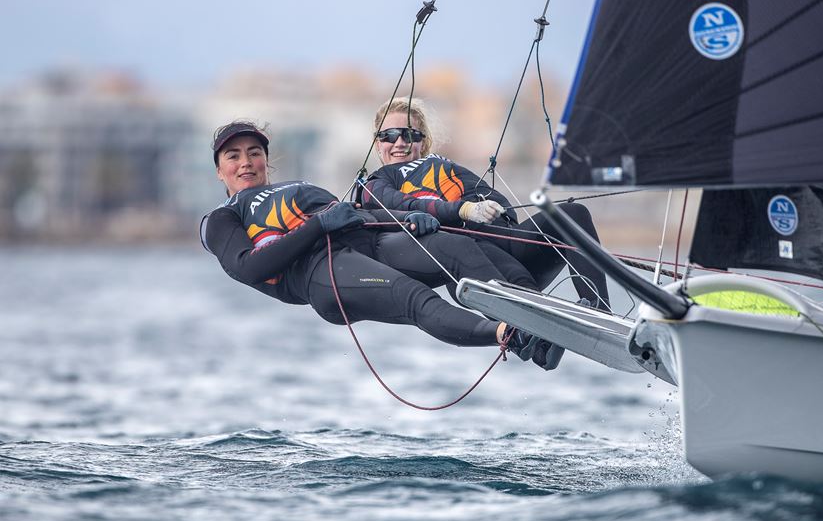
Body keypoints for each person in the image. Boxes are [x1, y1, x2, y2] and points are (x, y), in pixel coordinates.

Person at [200, 120, 565, 369]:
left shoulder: (298, 187)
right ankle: (511, 336)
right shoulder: (222, 218)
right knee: (416, 299)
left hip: (370, 245)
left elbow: (355, 216)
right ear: (219, 170)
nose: (246, 162)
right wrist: (317, 228)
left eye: (254, 152)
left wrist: (405, 219)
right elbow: (249, 267)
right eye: (233, 156)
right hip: (323, 273)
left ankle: (534, 315)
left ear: (266, 160)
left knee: (453, 247)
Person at [360, 97, 611, 311]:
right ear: (377, 143)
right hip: (469, 259)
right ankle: (536, 326)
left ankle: (599, 309)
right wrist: (464, 210)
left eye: (409, 134)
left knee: (573, 212)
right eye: (389, 136)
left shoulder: (444, 164)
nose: (399, 143)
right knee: (490, 259)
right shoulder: (379, 181)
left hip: (512, 244)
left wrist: (491, 209)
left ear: (423, 142)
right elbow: (400, 204)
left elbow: (499, 204)